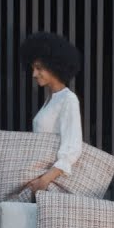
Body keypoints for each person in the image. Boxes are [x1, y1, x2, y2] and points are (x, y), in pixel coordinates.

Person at [19, 32, 82, 195]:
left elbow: (73, 145)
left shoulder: (68, 99)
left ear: (54, 66)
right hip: (42, 178)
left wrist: (45, 180)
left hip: (51, 183)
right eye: (33, 68)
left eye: (39, 68)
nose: (34, 74)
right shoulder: (51, 98)